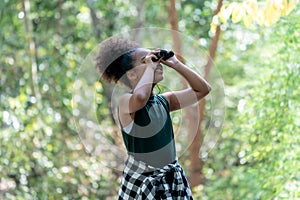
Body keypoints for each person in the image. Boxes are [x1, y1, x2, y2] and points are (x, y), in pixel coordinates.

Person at [95, 38, 211, 200]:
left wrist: (175, 63)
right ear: (132, 74)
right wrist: (151, 65)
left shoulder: (165, 101)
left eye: (155, 59)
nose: (156, 63)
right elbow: (141, 98)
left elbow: (203, 89)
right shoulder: (125, 102)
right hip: (142, 182)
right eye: (146, 61)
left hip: (171, 179)